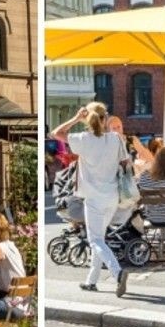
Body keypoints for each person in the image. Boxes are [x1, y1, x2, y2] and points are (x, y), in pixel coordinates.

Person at [51, 102, 130, 297]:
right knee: (99, 239)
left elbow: (56, 133)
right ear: (105, 119)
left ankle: (117, 272)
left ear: (89, 119)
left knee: (95, 240)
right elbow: (126, 163)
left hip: (93, 198)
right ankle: (91, 281)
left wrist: (76, 118)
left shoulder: (83, 139)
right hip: (112, 196)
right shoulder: (115, 139)